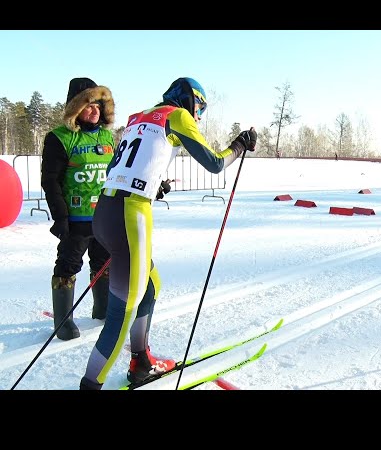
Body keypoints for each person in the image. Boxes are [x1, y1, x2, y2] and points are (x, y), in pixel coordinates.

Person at [79, 77, 257, 390]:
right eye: (199, 107)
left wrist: (151, 182)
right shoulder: (178, 116)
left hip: (106, 211)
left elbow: (116, 170)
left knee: (149, 284)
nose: (198, 116)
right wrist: (239, 144)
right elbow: (215, 163)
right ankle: (90, 384)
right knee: (122, 312)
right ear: (189, 100)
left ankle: (141, 361)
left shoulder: (140, 117)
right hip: (129, 215)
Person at [41, 78, 115, 341]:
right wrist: (60, 217)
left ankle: (103, 309)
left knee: (104, 263)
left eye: (98, 104)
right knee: (68, 266)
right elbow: (50, 181)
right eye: (87, 105)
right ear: (75, 108)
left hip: (105, 216)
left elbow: (118, 174)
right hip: (76, 220)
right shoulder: (60, 138)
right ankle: (63, 322)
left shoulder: (108, 137)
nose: (94, 110)